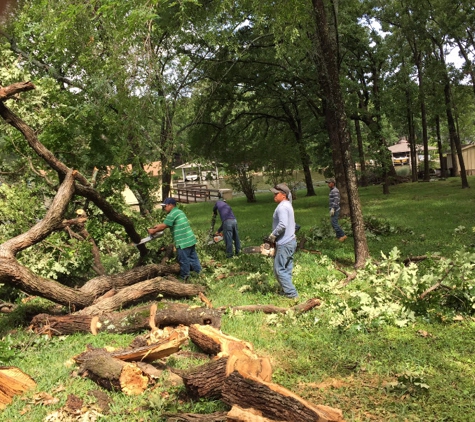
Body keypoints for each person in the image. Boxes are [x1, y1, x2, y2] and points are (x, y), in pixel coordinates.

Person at [148, 197, 202, 280]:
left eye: (165, 206)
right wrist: (156, 227)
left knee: (184, 260)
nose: (164, 208)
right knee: (193, 258)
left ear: (170, 205)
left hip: (183, 242)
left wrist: (152, 231)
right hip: (190, 239)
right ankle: (199, 274)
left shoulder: (172, 214)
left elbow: (163, 226)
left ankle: (184, 278)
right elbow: (164, 224)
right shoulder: (179, 212)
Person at [268, 183, 298, 299]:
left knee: (279, 269)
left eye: (276, 193)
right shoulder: (288, 204)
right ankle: (287, 290)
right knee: (287, 268)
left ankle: (291, 293)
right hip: (291, 240)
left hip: (284, 243)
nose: (274, 195)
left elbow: (282, 224)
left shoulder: (282, 207)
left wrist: (273, 235)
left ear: (283, 195)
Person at [325, 177, 347, 242]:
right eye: (328, 183)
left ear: (333, 183)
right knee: (333, 223)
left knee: (334, 223)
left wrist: (333, 208)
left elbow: (336, 200)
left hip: (335, 209)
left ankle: (343, 235)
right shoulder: (332, 190)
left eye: (329, 183)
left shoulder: (335, 191)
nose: (328, 184)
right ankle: (338, 236)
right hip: (333, 209)